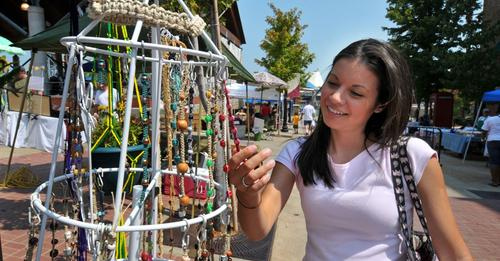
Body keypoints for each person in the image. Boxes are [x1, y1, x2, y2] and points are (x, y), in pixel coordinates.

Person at [228, 39, 472, 260]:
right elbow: (257, 230)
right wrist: (247, 194)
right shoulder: (298, 153)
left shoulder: (411, 156)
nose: (335, 97)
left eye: (355, 93)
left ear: (380, 104)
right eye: (332, 82)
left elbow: (452, 252)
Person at [481, 107, 500, 187]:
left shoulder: (490, 119)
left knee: (494, 161)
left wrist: (483, 138)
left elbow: (484, 131)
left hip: (492, 141)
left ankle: (495, 181)